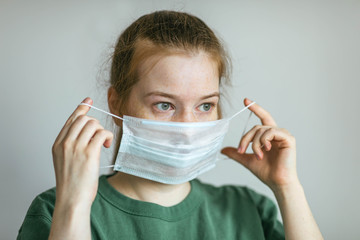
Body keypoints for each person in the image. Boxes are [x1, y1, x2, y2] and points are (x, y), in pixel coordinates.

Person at [17, 11, 323, 240]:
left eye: (205, 106)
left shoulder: (249, 209)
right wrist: (73, 206)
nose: (188, 128)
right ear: (116, 103)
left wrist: (287, 188)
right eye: (164, 105)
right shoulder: (53, 210)